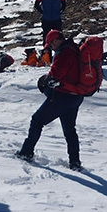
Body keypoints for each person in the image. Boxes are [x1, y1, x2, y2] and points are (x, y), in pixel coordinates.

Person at [16, 29, 85, 170]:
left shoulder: (64, 54)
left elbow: (54, 78)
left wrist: (43, 81)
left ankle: (26, 152)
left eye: (50, 45)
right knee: (70, 130)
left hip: (62, 97)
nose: (50, 48)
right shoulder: (74, 48)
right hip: (76, 96)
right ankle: (75, 162)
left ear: (55, 41)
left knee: (37, 121)